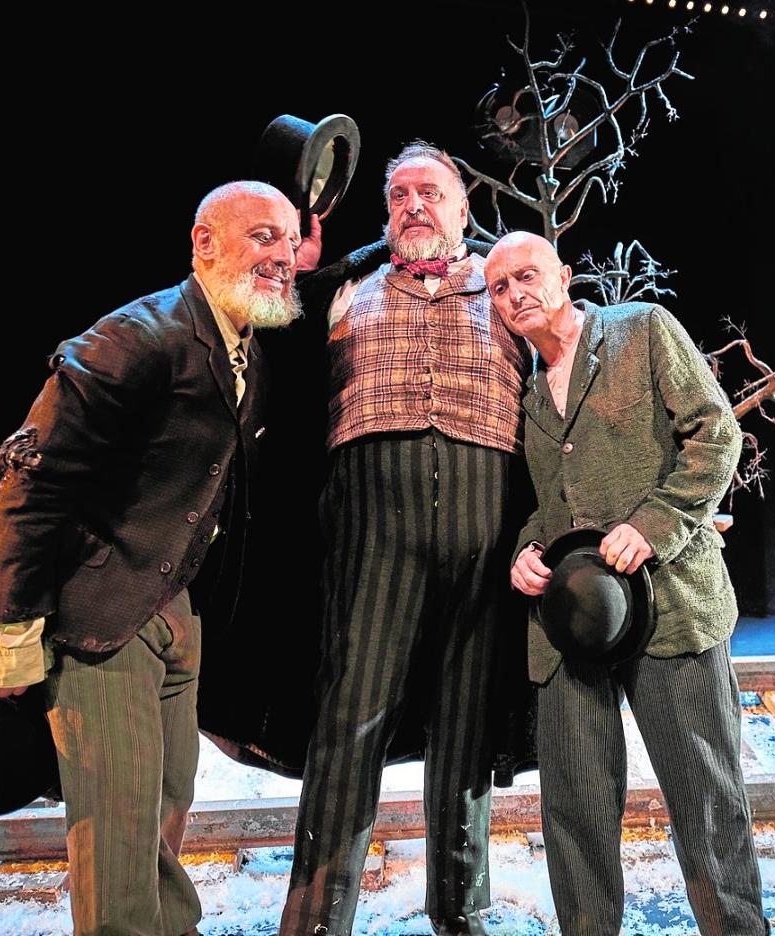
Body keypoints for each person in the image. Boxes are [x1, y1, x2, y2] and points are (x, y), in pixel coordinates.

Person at [0, 181, 303, 935]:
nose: (283, 255)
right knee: (119, 837)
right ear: (204, 243)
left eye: (289, 241)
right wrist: (10, 629)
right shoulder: (134, 338)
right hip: (102, 619)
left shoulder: (242, 346)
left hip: (170, 615)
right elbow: (32, 481)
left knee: (163, 811)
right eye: (262, 236)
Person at [485, 231, 769, 936]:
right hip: (573, 625)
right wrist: (527, 550)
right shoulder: (522, 389)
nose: (515, 294)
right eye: (499, 287)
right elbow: (540, 504)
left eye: (527, 276)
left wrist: (655, 523)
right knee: (574, 809)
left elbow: (716, 435)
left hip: (668, 603)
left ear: (564, 277)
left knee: (705, 798)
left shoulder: (640, 331)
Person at [282, 142, 529, 936]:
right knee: (349, 719)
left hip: (484, 524)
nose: (413, 205)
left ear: (462, 208)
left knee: (465, 726)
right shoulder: (344, 288)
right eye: (398, 195)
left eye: (430, 192)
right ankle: (316, 919)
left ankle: (462, 913)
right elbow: (266, 351)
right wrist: (295, 276)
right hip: (371, 528)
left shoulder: (506, 285)